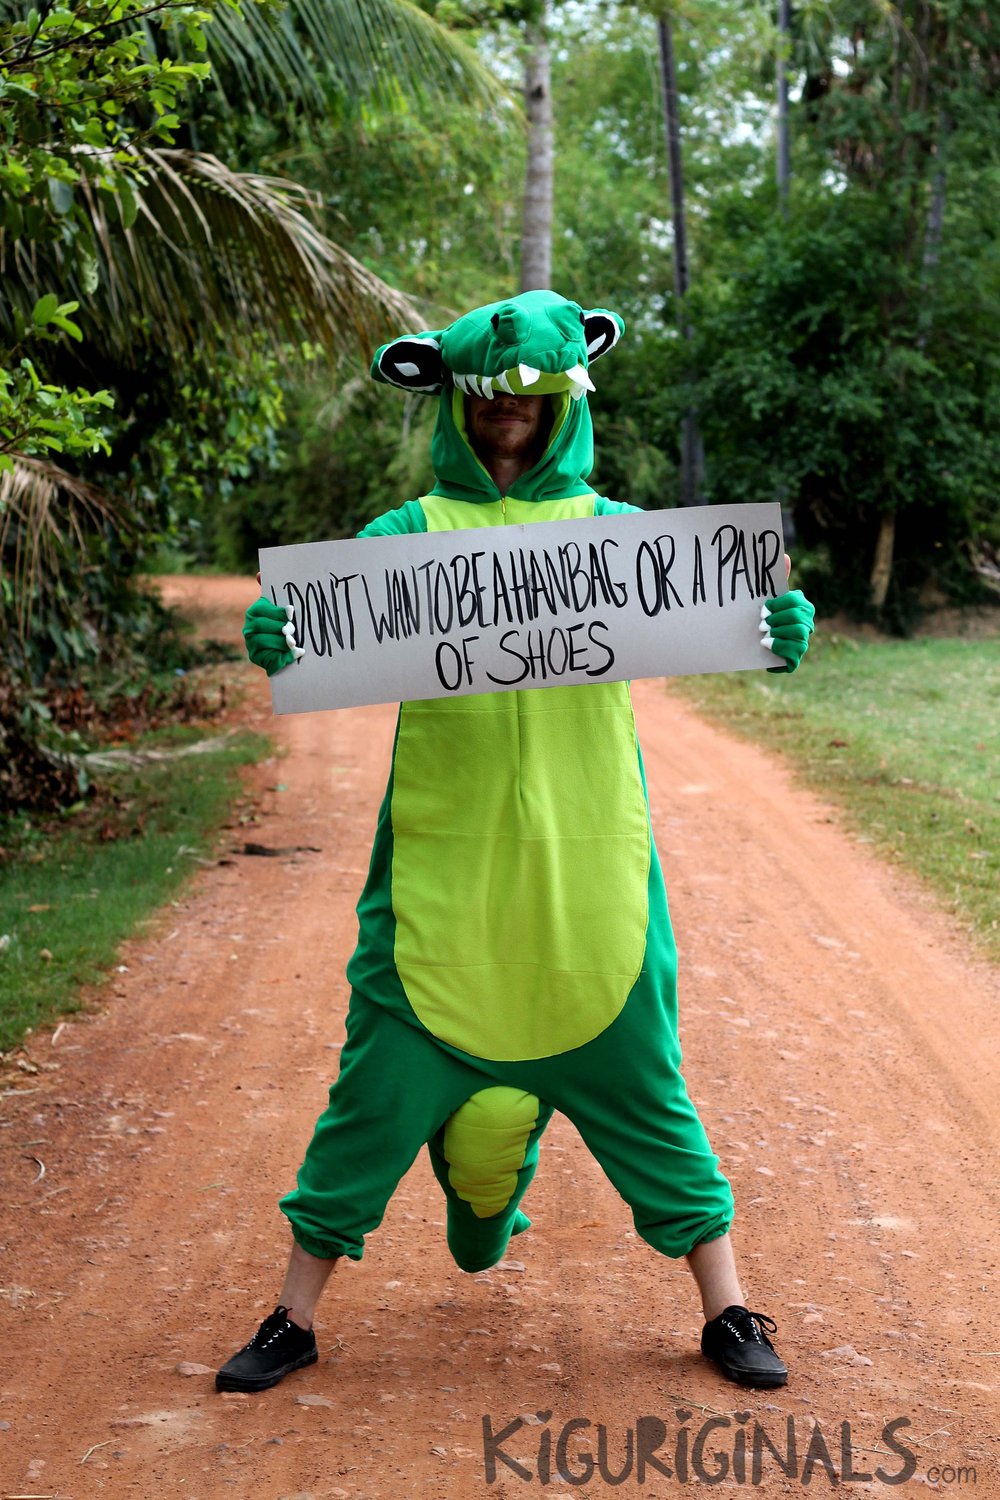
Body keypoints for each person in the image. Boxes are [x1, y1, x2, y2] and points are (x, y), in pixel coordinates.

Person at [219, 290, 815, 1396]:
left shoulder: (611, 532)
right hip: (443, 885)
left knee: (651, 1096)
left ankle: (728, 1309)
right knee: (369, 1104)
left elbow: (717, 613)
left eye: (533, 406)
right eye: (492, 405)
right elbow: (321, 630)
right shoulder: (406, 535)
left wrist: (768, 628)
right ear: (457, 406)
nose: (511, 421)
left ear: (561, 408)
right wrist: (281, 634)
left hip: (591, 882)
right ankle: (293, 1319)